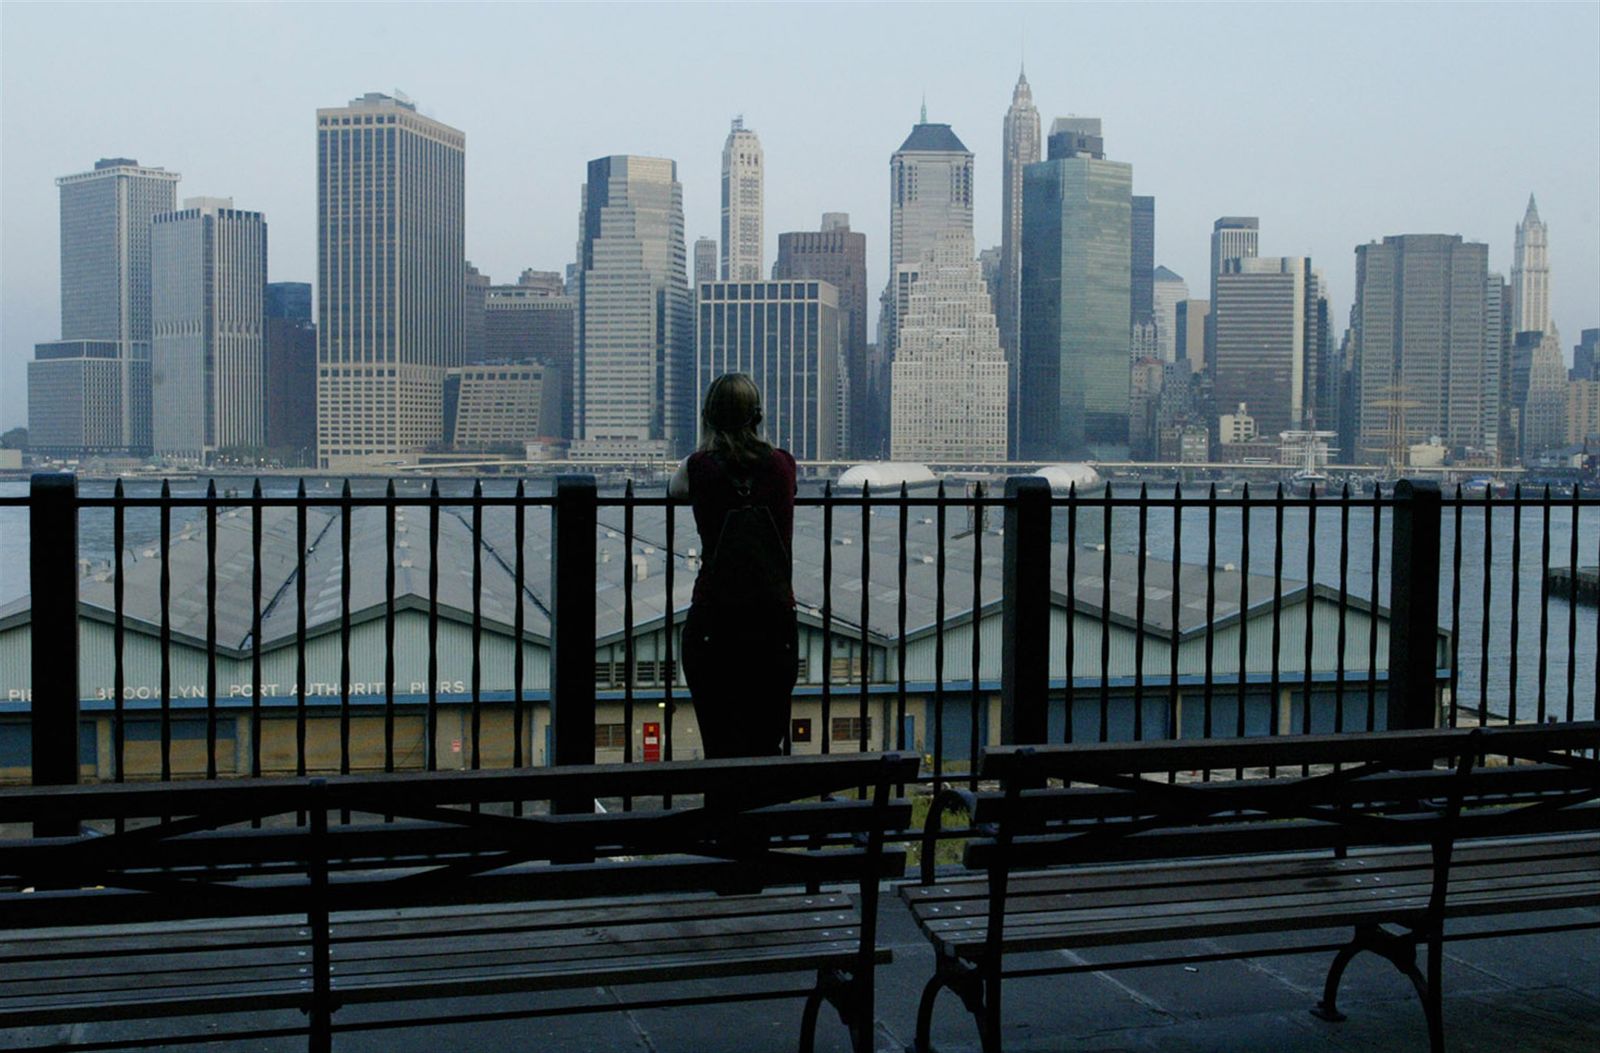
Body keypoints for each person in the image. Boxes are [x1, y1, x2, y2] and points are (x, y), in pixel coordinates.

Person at [669, 373, 798, 758]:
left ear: (708, 415)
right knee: (765, 743)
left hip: (715, 619)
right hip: (773, 620)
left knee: (720, 745)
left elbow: (674, 490)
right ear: (758, 415)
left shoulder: (699, 467)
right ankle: (760, 816)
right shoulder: (782, 465)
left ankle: (723, 814)